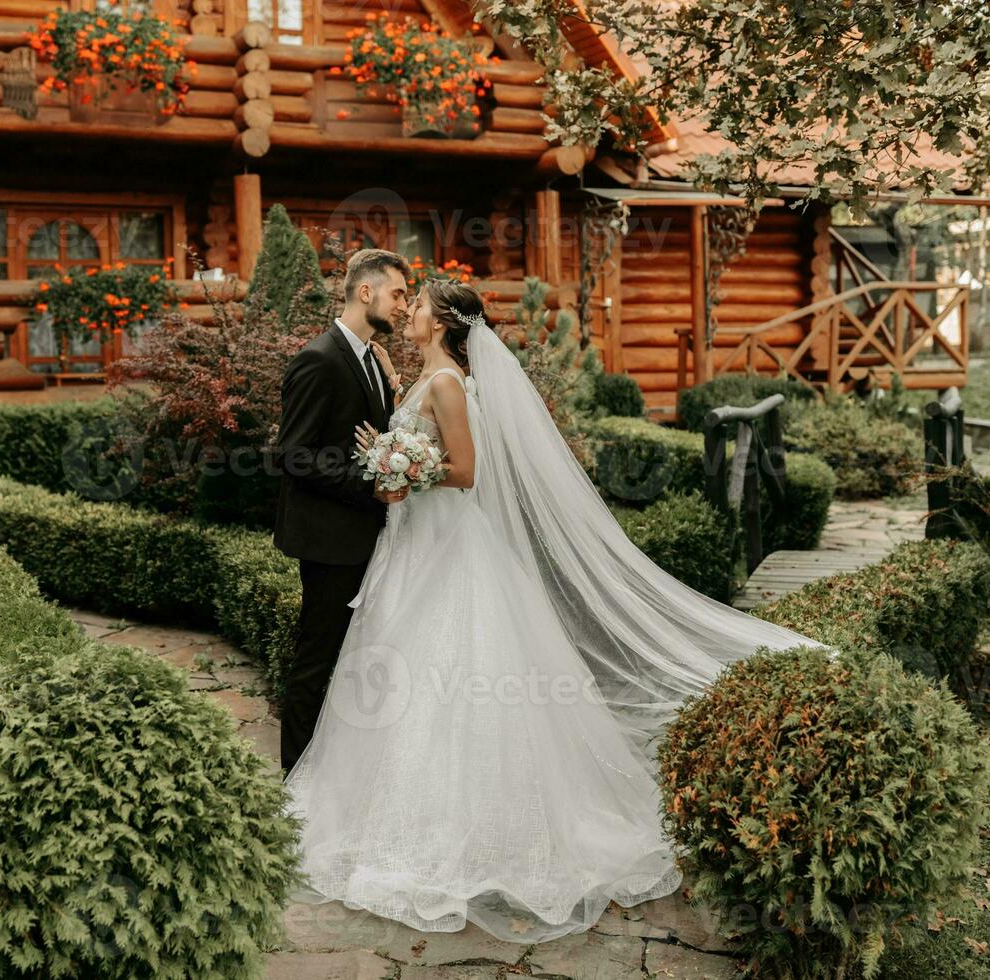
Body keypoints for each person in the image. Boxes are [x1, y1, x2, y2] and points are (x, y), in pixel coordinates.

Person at [281, 279, 825, 943]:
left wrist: (402, 470)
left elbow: (466, 471)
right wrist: (390, 461)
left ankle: (467, 831)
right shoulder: (420, 376)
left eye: (419, 303)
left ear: (444, 323)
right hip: (410, 545)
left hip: (445, 546)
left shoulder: (450, 383)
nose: (410, 310)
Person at [272, 247, 412, 776]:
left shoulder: (373, 358)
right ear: (366, 291)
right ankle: (294, 780)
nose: (403, 305)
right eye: (397, 293)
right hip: (330, 541)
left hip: (363, 537)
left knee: (355, 663)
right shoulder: (320, 358)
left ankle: (335, 776)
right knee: (317, 661)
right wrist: (368, 486)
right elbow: (293, 454)